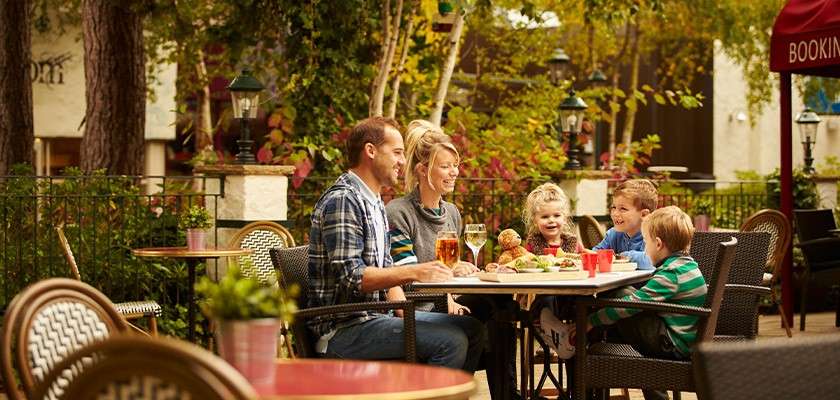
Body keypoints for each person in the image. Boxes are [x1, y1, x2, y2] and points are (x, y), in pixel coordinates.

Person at [307, 116, 486, 371]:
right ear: (371, 151)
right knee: (451, 341)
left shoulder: (374, 201)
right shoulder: (344, 200)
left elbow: (386, 267)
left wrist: (405, 311)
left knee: (473, 329)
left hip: (380, 315)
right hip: (344, 328)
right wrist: (416, 271)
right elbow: (353, 277)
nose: (403, 161)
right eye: (397, 152)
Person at [385, 119, 519, 398]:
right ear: (423, 170)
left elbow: (447, 268)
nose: (454, 172)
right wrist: (449, 283)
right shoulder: (399, 212)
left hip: (443, 300)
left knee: (501, 307)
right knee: (488, 325)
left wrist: (459, 278)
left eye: (455, 166)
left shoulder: (452, 213)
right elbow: (406, 274)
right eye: (445, 166)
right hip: (416, 307)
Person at [542, 206, 707, 400]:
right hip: (679, 340)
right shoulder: (684, 265)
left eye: (646, 243)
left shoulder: (672, 274)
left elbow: (631, 305)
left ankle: (572, 335)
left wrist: (591, 321)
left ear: (659, 244)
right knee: (620, 297)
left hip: (671, 346)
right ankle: (574, 336)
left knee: (618, 299)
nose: (645, 248)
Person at [590, 179, 657, 270]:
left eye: (623, 209)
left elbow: (651, 260)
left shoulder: (652, 236)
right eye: (614, 207)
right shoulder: (613, 234)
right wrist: (587, 254)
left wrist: (623, 256)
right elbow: (597, 252)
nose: (615, 213)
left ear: (644, 214)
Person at [522, 182, 583, 256]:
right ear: (535, 221)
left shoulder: (574, 244)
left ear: (565, 219)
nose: (551, 220)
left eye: (557, 215)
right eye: (545, 217)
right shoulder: (532, 244)